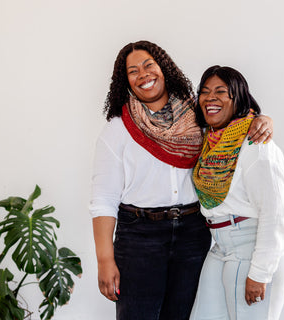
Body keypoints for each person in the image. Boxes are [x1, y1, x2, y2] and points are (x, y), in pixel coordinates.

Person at [90, 41, 274, 320]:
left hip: (192, 232)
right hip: (140, 237)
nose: (143, 74)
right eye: (133, 71)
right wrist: (105, 260)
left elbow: (232, 121)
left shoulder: (196, 115)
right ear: (124, 81)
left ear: (164, 68)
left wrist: (264, 120)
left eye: (149, 65)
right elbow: (103, 199)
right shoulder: (118, 128)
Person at [190, 65, 284, 320]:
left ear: (238, 98)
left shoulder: (256, 145)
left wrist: (260, 273)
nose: (210, 98)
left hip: (255, 242)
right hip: (221, 244)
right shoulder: (210, 140)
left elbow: (275, 212)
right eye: (205, 92)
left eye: (221, 91)